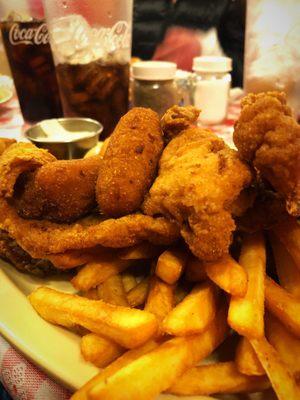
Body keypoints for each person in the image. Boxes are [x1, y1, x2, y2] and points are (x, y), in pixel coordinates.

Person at [132, 0, 246, 86]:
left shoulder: (226, 5)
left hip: (203, 98)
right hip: (136, 89)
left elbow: (243, 73)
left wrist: (206, 55)